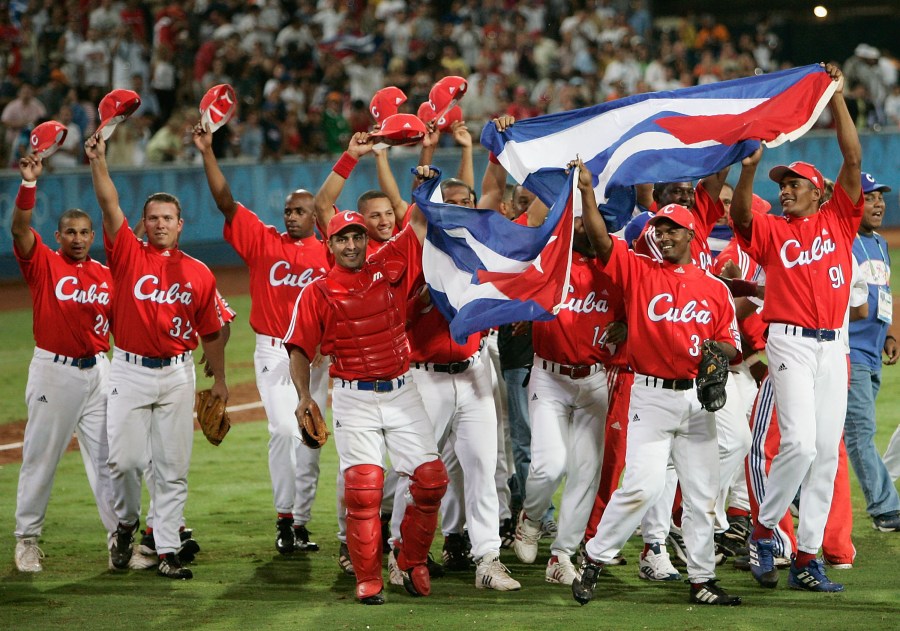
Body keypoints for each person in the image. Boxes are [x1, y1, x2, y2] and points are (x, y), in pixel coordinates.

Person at [572, 158, 743, 607]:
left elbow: (730, 344)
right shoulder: (640, 272)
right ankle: (594, 558)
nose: (663, 236)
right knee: (641, 487)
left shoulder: (714, 289)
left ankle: (702, 580)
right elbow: (598, 240)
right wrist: (588, 193)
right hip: (649, 396)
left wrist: (713, 355)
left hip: (697, 402)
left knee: (703, 497)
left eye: (672, 230)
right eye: (660, 230)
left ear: (691, 236)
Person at [730, 63, 862, 593]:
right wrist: (747, 170)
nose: (784, 190)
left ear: (820, 191)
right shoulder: (771, 229)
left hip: (834, 350)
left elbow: (852, 156)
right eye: (782, 185)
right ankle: (765, 529)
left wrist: (836, 97)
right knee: (802, 446)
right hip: (789, 343)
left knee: (827, 453)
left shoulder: (839, 219)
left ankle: (807, 557)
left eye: (795, 184)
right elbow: (741, 219)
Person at [285, 181, 448, 605]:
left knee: (431, 480)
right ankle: (368, 577)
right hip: (354, 396)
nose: (353, 244)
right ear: (330, 243)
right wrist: (304, 396)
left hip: (402, 390)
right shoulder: (317, 292)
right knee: (364, 487)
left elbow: (416, 222)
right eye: (344, 238)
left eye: (358, 236)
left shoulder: (387, 264)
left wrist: (424, 186)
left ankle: (410, 560)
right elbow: (300, 349)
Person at [85, 132, 229, 580]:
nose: (160, 224)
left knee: (172, 467)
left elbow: (213, 330)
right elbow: (110, 205)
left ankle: (166, 548)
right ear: (143, 223)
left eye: (168, 217)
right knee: (124, 461)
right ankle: (126, 524)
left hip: (178, 375)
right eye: (153, 218)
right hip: (128, 372)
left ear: (180, 223)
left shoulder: (199, 272)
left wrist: (220, 379)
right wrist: (99, 161)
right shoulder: (127, 253)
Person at [193, 124, 331, 555]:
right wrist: (207, 151)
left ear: (316, 217)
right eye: (289, 209)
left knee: (311, 440)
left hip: (318, 357)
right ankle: (284, 519)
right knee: (282, 430)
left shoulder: (331, 250)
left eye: (301, 211)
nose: (291, 216)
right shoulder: (264, 242)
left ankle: (302, 523)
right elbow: (225, 202)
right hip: (273, 351)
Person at [10, 154, 118, 573]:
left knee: (109, 460)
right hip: (54, 373)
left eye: (84, 232)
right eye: (70, 232)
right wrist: (29, 184)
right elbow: (19, 228)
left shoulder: (105, 275)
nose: (77, 238)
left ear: (93, 236)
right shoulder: (43, 263)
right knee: (41, 458)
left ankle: (119, 539)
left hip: (98, 372)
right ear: (57, 236)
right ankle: (27, 540)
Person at [512, 205, 626, 588]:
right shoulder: (552, 262)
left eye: (591, 222)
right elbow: (530, 228)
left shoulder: (618, 271)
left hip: (594, 380)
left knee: (586, 473)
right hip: (550, 377)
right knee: (550, 464)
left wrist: (626, 324)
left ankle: (562, 555)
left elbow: (641, 308)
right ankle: (529, 519)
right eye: (579, 220)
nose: (586, 227)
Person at [845, 172, 899, 532]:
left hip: (873, 350)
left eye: (880, 197)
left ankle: (795, 493)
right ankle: (886, 508)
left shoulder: (879, 243)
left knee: (832, 431)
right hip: (849, 352)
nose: (878, 203)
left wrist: (891, 333)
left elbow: (886, 291)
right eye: (870, 196)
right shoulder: (842, 242)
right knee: (860, 431)